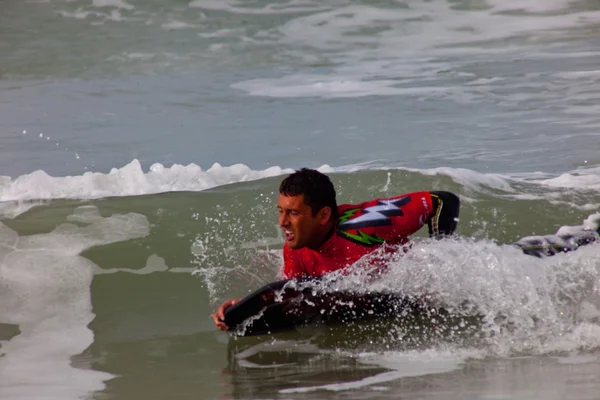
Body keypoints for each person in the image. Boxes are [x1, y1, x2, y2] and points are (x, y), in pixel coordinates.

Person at [212, 168, 460, 331]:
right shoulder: (295, 249)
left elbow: (442, 201)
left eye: (294, 213)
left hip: (410, 301)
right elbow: (288, 295)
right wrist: (242, 308)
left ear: (323, 215)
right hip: (361, 306)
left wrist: (441, 261)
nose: (282, 222)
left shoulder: (367, 224)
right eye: (281, 211)